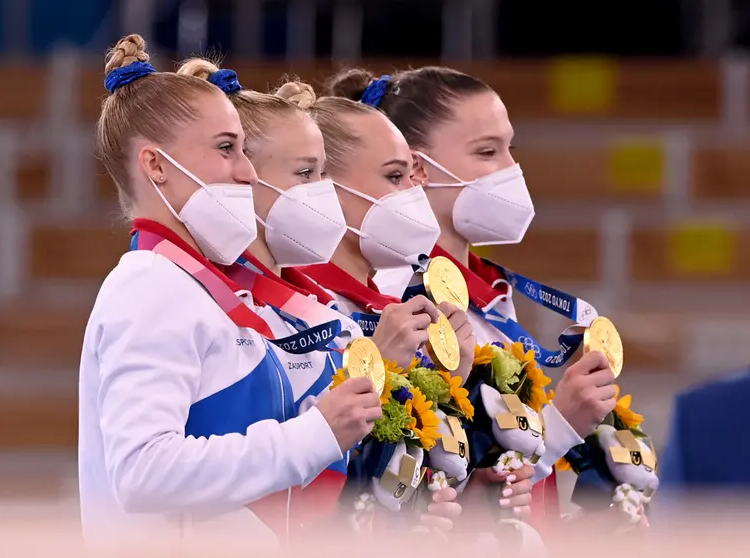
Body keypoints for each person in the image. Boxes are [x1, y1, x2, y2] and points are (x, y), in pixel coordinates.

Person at [79, 34, 382, 548]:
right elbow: (142, 472)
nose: (246, 171)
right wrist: (314, 434)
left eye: (243, 148)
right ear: (155, 166)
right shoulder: (149, 286)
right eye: (226, 149)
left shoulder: (204, 288)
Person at [173, 57, 465, 535]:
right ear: (245, 176)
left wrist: (400, 514)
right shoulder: (208, 305)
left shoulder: (317, 312)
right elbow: (264, 474)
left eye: (325, 173)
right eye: (308, 173)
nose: (325, 192)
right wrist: (380, 370)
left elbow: (348, 473)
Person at [324, 67, 619, 527]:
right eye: (487, 152)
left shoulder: (488, 290)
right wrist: (559, 427)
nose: (511, 171)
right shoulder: (396, 296)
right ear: (418, 168)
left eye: (509, 150)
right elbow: (405, 477)